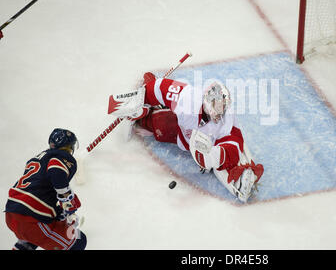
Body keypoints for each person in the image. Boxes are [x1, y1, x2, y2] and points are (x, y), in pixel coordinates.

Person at [108, 72, 264, 203]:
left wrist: (215, 156)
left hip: (196, 140)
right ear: (207, 102)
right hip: (182, 134)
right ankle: (146, 112)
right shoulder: (188, 98)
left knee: (227, 152)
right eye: (216, 109)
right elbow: (160, 88)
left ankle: (239, 173)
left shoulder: (226, 117)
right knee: (158, 125)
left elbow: (234, 141)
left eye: (222, 108)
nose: (219, 114)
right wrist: (141, 99)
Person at [4, 128, 87, 250]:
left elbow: (40, 190)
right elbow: (56, 171)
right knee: (78, 240)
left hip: (13, 213)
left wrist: (60, 212)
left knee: (30, 241)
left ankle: (23, 245)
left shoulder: (39, 158)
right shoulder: (62, 156)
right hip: (31, 218)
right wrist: (69, 204)